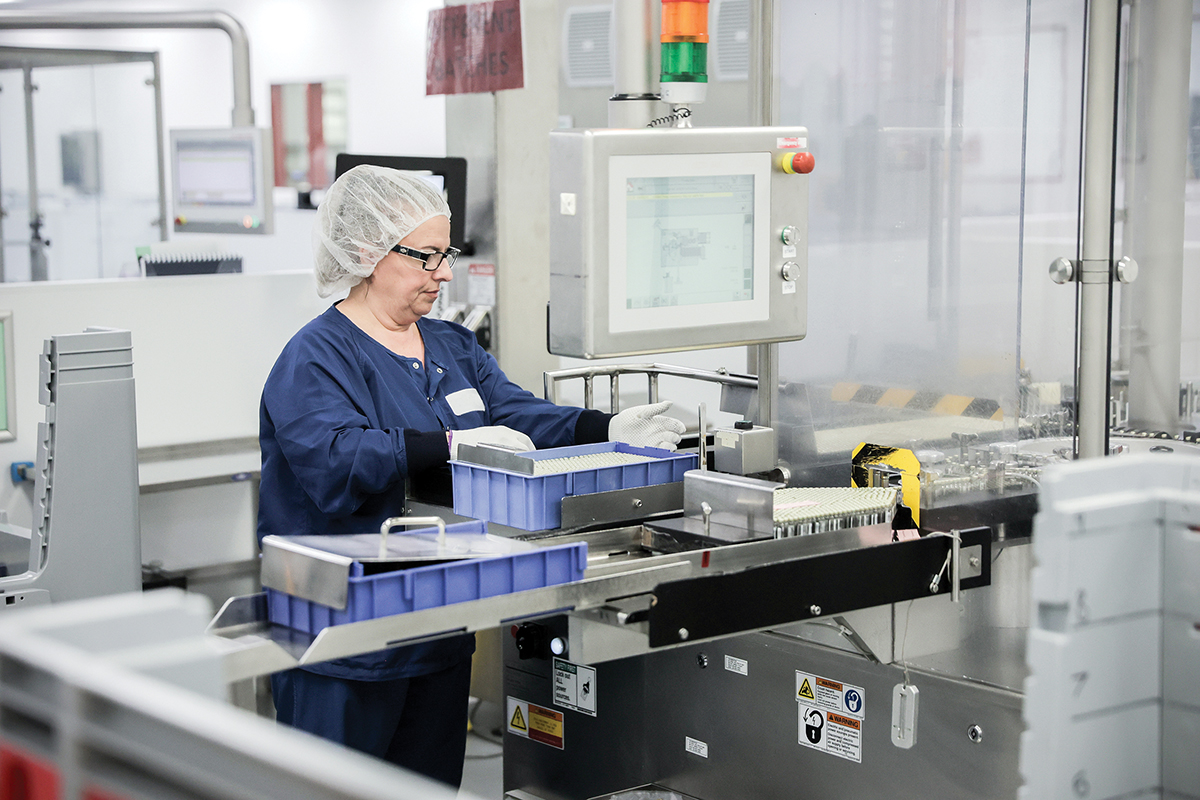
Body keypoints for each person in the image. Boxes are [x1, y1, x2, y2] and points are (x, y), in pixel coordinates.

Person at [258, 164, 685, 788]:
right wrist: (450, 443)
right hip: (344, 646)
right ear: (365, 252)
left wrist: (609, 427)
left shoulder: (451, 346)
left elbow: (518, 415)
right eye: (427, 257)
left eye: (447, 254)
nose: (444, 273)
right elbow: (336, 462)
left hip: (437, 625)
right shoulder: (315, 357)